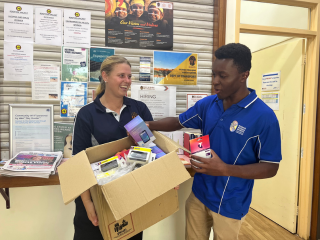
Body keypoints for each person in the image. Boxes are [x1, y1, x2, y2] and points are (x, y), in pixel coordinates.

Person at [147, 43, 282, 240]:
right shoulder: (208, 104)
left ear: (244, 75)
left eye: (223, 76)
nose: (215, 82)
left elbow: (271, 167)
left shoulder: (264, 117)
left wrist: (225, 169)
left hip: (230, 203)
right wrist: (148, 124)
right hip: (199, 194)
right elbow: (177, 122)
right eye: (213, 75)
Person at [72, 55, 153, 240]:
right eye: (121, 76)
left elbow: (151, 149)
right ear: (105, 76)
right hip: (97, 197)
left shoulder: (138, 110)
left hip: (131, 197)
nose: (127, 81)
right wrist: (88, 202)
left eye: (129, 76)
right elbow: (79, 162)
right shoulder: (87, 115)